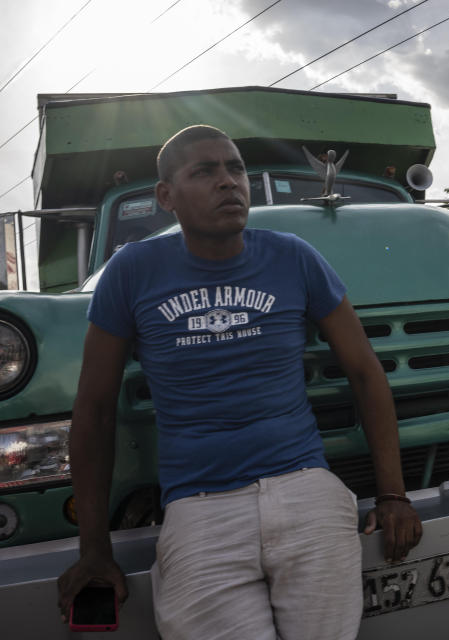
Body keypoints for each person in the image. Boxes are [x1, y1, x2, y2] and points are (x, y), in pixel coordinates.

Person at [57, 124, 422, 639]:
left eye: (235, 168)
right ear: (167, 196)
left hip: (307, 490)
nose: (228, 182)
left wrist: (393, 494)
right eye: (204, 172)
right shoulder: (131, 271)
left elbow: (364, 370)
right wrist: (93, 549)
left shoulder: (293, 256)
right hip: (199, 509)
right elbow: (93, 409)